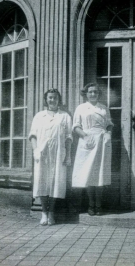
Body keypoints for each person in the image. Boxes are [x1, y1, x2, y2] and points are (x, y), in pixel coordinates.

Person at [29, 89, 72, 225]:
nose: (52, 100)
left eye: (54, 98)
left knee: (56, 183)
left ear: (59, 99)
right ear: (46, 100)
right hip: (42, 154)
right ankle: (43, 213)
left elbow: (69, 137)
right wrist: (35, 150)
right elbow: (33, 135)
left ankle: (52, 213)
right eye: (49, 98)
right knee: (42, 181)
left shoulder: (65, 116)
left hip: (59, 153)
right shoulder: (39, 116)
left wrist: (68, 155)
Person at [72, 83, 113, 216]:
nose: (93, 94)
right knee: (89, 174)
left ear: (99, 94)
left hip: (102, 141)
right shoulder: (81, 108)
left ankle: (99, 205)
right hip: (87, 141)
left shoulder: (103, 108)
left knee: (99, 173)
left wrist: (108, 133)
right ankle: (91, 204)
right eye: (90, 92)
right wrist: (85, 136)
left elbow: (109, 125)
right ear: (86, 94)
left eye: (95, 92)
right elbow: (76, 126)